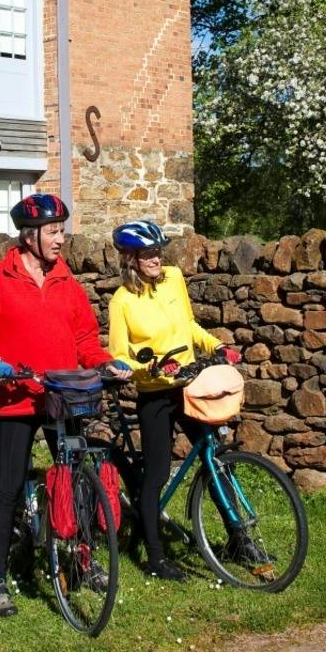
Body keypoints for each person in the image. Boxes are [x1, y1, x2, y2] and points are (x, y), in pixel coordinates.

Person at [0, 193, 124, 617]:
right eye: (53, 231)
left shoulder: (67, 282)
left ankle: (82, 560)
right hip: (17, 397)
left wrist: (105, 363)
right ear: (29, 236)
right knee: (8, 486)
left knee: (75, 481)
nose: (61, 239)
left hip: (63, 396)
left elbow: (85, 340)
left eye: (62, 230)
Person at [106, 219, 239, 581]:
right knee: (157, 474)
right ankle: (155, 557)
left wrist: (218, 346)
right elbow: (119, 358)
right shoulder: (122, 302)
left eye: (158, 251)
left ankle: (239, 539)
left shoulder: (174, 279)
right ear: (130, 258)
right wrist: (149, 368)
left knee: (215, 458)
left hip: (189, 385)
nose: (156, 258)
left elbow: (189, 326)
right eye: (148, 253)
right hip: (155, 394)